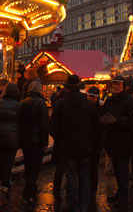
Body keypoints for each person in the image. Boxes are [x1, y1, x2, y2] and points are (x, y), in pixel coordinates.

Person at [50, 75, 99, 212]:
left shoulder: (60, 104)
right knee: (84, 176)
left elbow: (53, 126)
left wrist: (59, 137)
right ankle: (84, 204)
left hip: (66, 147)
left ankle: (72, 204)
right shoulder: (89, 105)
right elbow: (96, 126)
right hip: (85, 147)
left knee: (71, 176)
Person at [100, 77, 133, 209]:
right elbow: (103, 113)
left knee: (122, 170)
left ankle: (124, 196)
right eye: (114, 84)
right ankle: (120, 192)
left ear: (123, 86)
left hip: (124, 141)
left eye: (118, 84)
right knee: (116, 169)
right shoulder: (109, 100)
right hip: (112, 140)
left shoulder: (129, 101)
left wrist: (117, 121)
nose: (115, 87)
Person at [18, 81, 49, 203]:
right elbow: (44, 123)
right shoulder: (41, 103)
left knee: (28, 164)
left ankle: (31, 187)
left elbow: (20, 121)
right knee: (35, 166)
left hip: (26, 139)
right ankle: (28, 191)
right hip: (37, 139)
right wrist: (45, 140)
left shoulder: (24, 102)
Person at [86, 86, 103, 199]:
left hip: (94, 142)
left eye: (92, 97)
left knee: (92, 167)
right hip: (90, 141)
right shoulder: (99, 107)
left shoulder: (99, 108)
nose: (91, 99)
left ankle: (92, 189)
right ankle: (89, 188)